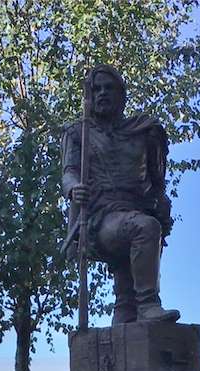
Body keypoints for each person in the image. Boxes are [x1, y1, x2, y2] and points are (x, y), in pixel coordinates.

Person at [61, 64, 180, 324]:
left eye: (109, 88)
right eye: (97, 89)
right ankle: (149, 304)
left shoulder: (143, 131)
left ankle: (126, 326)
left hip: (137, 209)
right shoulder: (79, 133)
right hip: (101, 218)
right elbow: (69, 172)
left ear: (122, 94)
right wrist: (73, 188)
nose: (102, 93)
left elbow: (157, 180)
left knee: (125, 303)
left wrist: (162, 205)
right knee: (145, 228)